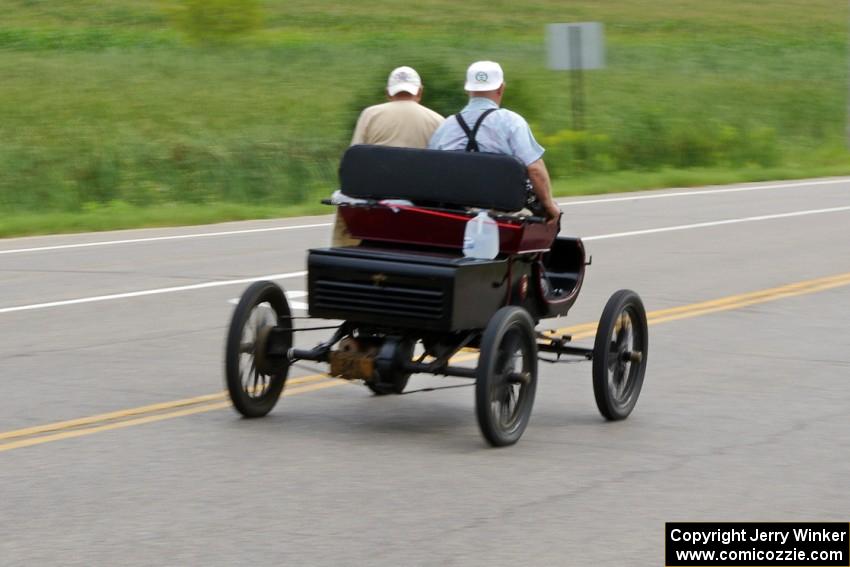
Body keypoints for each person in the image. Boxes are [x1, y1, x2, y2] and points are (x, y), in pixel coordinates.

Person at [428, 60, 561, 224]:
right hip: (503, 213)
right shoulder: (511, 122)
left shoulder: (446, 126)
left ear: (467, 89)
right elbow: (535, 169)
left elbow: (433, 171)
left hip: (455, 213)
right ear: (501, 88)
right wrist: (549, 205)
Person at [333, 66, 445, 246]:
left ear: (388, 93)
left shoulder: (370, 114)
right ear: (420, 92)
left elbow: (354, 160)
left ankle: (343, 248)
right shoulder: (438, 120)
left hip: (374, 196)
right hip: (419, 199)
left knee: (343, 204)